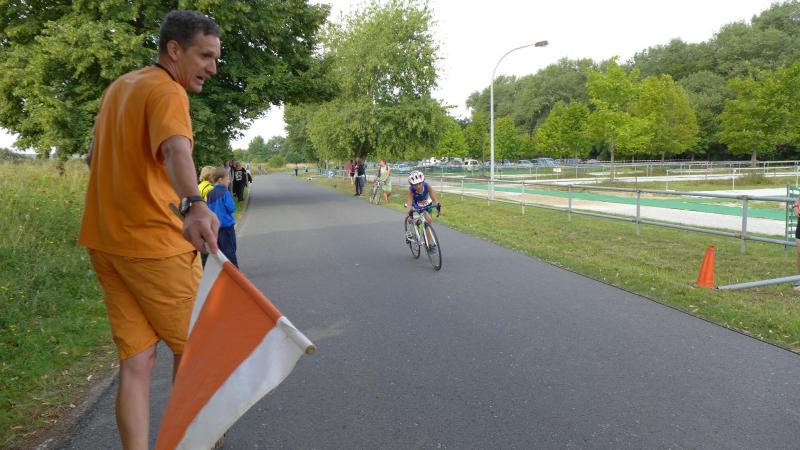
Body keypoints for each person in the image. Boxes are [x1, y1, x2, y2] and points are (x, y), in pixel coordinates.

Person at [78, 10, 221, 450]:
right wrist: (195, 204)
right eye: (205, 56)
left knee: (137, 364)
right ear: (174, 50)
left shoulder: (120, 88)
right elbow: (176, 150)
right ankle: (190, 443)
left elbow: (93, 158)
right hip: (154, 246)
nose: (213, 68)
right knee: (197, 351)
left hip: (105, 243)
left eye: (216, 58)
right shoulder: (167, 90)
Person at [207, 167, 238, 267]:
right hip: (226, 227)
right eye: (227, 178)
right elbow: (231, 208)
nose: (229, 181)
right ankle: (234, 271)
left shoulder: (210, 194)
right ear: (220, 180)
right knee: (230, 251)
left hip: (215, 228)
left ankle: (224, 271)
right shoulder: (225, 192)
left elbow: (208, 210)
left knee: (221, 253)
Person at [405, 171, 441, 248]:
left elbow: (434, 200)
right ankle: (414, 232)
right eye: (415, 185)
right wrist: (409, 214)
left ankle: (429, 244)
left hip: (425, 203)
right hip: (415, 205)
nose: (418, 186)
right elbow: (409, 204)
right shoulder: (411, 191)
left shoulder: (428, 186)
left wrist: (438, 207)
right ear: (412, 185)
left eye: (420, 183)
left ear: (423, 182)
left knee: (428, 221)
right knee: (417, 221)